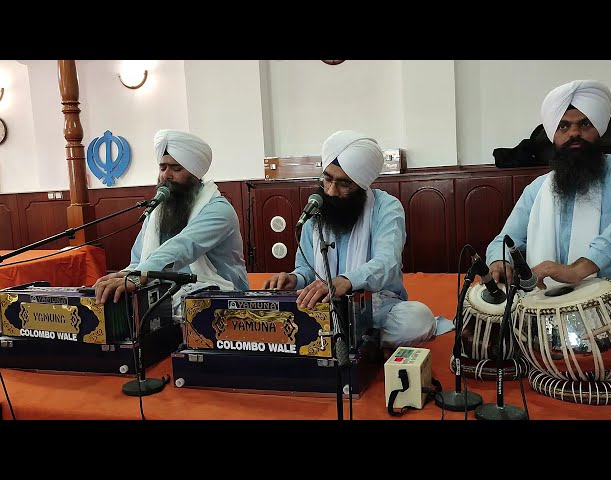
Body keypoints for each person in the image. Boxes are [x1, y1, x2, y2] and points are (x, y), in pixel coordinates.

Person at [484, 79, 611, 373]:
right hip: (547, 309)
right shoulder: (538, 189)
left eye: (584, 124)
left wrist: (581, 268)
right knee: (494, 339)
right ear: (553, 135)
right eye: (564, 127)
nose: (575, 134)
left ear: (599, 129)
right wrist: (498, 263)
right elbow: (504, 241)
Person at [263, 130, 437, 350]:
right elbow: (306, 269)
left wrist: (346, 280)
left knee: (418, 319)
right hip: (324, 306)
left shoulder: (386, 208)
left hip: (376, 305)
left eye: (344, 184)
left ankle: (343, 338)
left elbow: (387, 262)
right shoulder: (317, 209)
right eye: (327, 179)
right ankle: (359, 341)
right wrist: (294, 279)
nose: (332, 191)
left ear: (361, 185)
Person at [93, 129, 249, 314]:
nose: (166, 175)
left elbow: (184, 245)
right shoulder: (158, 211)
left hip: (222, 297)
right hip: (166, 293)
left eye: (176, 169)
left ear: (195, 173)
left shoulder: (218, 209)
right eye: (162, 167)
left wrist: (138, 276)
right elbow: (139, 261)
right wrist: (122, 279)